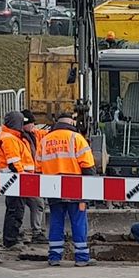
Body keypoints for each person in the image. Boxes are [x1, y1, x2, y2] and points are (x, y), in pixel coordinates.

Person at [37, 114, 96, 267]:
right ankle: (81, 258)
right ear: (71, 122)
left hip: (53, 188)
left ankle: (54, 257)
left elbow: (38, 168)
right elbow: (88, 166)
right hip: (76, 189)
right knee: (78, 220)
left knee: (56, 220)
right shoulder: (76, 138)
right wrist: (90, 189)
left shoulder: (45, 140)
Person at [0, 110, 34, 250]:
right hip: (15, 180)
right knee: (15, 210)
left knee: (16, 209)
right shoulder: (10, 139)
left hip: (15, 179)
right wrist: (22, 176)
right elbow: (14, 162)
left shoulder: (12, 137)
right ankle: (11, 240)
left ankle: (13, 237)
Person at [19, 110, 48, 244]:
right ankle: (36, 232)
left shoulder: (33, 134)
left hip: (31, 177)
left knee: (26, 205)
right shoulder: (19, 138)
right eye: (30, 124)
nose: (33, 127)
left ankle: (25, 232)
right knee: (37, 203)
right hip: (23, 177)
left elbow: (47, 135)